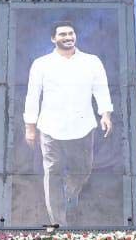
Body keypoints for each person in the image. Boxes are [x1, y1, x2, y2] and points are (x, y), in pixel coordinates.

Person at [23, 22, 113, 226]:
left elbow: (101, 90)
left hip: (82, 128)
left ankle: (68, 194)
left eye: (71, 33)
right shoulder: (41, 64)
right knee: (52, 173)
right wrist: (30, 127)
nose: (68, 37)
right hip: (50, 128)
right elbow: (32, 96)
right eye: (62, 34)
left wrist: (105, 115)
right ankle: (58, 223)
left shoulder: (91, 62)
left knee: (83, 168)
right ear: (53, 39)